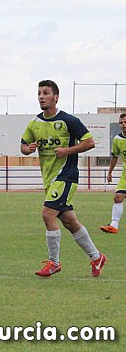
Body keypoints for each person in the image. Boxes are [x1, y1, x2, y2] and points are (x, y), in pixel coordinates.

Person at [21, 80, 106, 278]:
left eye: (46, 93)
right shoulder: (35, 123)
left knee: (47, 214)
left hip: (66, 175)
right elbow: (23, 145)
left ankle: (54, 263)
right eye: (39, 93)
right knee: (69, 221)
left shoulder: (69, 120)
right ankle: (96, 257)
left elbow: (90, 142)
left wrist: (68, 150)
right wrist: (28, 149)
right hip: (50, 178)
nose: (41, 96)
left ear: (55, 97)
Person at [99, 113, 126, 234]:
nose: (123, 125)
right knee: (118, 197)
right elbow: (115, 157)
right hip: (125, 176)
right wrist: (110, 172)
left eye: (125, 122)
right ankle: (114, 225)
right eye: (121, 123)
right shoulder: (117, 139)